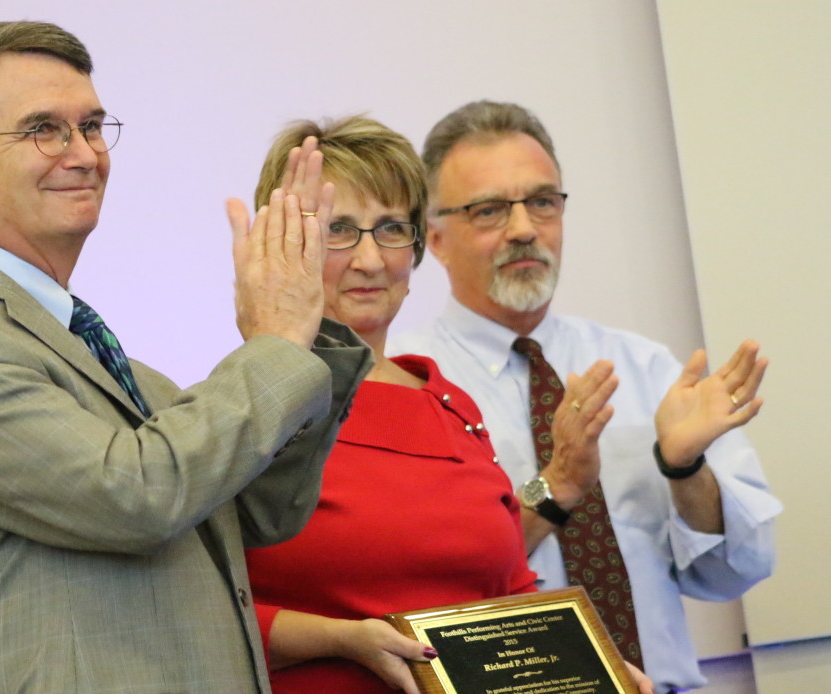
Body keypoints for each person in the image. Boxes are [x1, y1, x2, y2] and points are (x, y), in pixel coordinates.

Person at [0, 21, 372, 694]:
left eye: (93, 126)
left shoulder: (76, 343)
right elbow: (140, 496)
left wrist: (311, 327)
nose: (84, 153)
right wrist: (274, 345)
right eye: (44, 129)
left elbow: (253, 512)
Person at [243, 116, 653, 694]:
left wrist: (597, 670)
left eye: (390, 229)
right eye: (338, 230)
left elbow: (511, 590)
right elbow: (196, 609)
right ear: (283, 244)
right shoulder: (247, 403)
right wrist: (340, 639)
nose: (370, 259)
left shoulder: (447, 401)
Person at [390, 100, 783, 692]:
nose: (524, 228)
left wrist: (685, 468)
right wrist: (555, 487)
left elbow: (738, 569)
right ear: (435, 238)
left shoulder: (643, 366)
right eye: (490, 209)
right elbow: (429, 586)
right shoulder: (402, 384)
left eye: (542, 202)